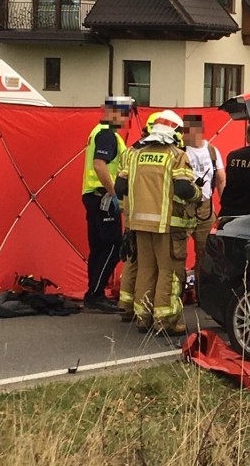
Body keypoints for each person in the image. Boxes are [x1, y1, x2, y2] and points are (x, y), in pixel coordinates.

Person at [115, 110, 201, 335]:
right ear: (176, 132)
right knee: (169, 271)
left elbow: (120, 188)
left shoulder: (134, 155)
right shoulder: (175, 155)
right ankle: (166, 321)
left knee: (145, 268)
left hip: (139, 224)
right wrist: (198, 195)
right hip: (168, 226)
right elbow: (183, 188)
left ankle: (143, 318)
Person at [81, 95, 131, 313]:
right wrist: (113, 194)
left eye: (126, 113)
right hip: (102, 197)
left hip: (92, 195)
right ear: (110, 112)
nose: (125, 117)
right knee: (113, 245)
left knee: (98, 247)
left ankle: (94, 293)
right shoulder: (107, 135)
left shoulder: (99, 132)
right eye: (122, 112)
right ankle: (95, 293)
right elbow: (100, 165)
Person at [117, 112, 160, 322]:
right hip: (149, 213)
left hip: (131, 210)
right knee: (148, 264)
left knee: (133, 259)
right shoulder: (153, 153)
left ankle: (126, 305)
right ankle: (141, 307)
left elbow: (120, 186)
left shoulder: (130, 151)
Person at [182, 114, 226, 295]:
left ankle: (201, 293)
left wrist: (224, 208)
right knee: (177, 253)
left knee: (205, 252)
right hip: (184, 206)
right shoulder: (180, 150)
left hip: (205, 206)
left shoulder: (213, 152)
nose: (184, 134)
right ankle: (178, 293)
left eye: (187, 130)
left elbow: (221, 179)